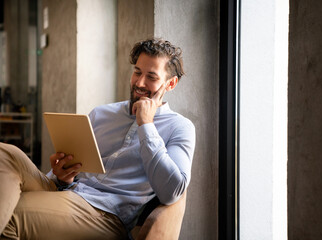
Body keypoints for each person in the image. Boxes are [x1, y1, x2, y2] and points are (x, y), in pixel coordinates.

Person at [0, 38, 196, 240]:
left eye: (151, 77)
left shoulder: (180, 127)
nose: (139, 83)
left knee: (12, 215)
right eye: (137, 72)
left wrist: (146, 125)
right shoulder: (101, 114)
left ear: (170, 84)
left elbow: (173, 192)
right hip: (67, 193)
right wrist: (62, 177)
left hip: (104, 215)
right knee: (6, 153)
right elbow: (68, 173)